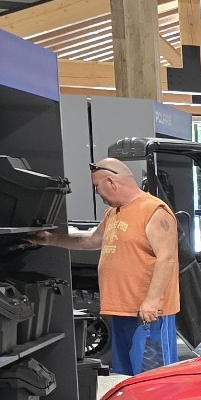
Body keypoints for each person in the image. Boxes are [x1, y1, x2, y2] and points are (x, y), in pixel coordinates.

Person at [31, 157, 179, 375]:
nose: (97, 193)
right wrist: (51, 239)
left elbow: (167, 258)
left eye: (97, 187)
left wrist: (152, 300)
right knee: (127, 377)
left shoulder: (154, 210)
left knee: (154, 378)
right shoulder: (113, 212)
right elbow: (91, 240)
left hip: (149, 315)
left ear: (111, 182)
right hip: (122, 311)